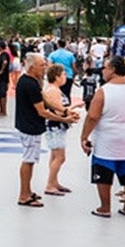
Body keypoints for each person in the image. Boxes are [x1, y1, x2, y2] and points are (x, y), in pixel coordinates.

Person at [80, 56, 125, 218]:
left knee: (103, 169)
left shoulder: (104, 91)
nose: (102, 71)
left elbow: (92, 116)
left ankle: (104, 207)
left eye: (104, 68)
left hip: (107, 138)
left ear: (112, 70)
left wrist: (84, 136)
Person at [15, 54, 70, 207]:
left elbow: (45, 100)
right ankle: (24, 195)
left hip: (28, 125)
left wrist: (64, 111)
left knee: (30, 160)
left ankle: (27, 190)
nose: (45, 68)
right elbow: (42, 111)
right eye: (42, 65)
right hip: (30, 127)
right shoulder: (30, 84)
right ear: (32, 67)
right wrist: (63, 119)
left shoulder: (30, 81)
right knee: (29, 160)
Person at [42, 64, 80, 196]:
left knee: (55, 155)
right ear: (56, 76)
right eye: (63, 74)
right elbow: (58, 110)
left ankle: (54, 181)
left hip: (54, 126)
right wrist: (72, 109)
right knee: (60, 157)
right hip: (56, 126)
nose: (65, 77)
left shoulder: (52, 89)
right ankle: (50, 184)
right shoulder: (54, 91)